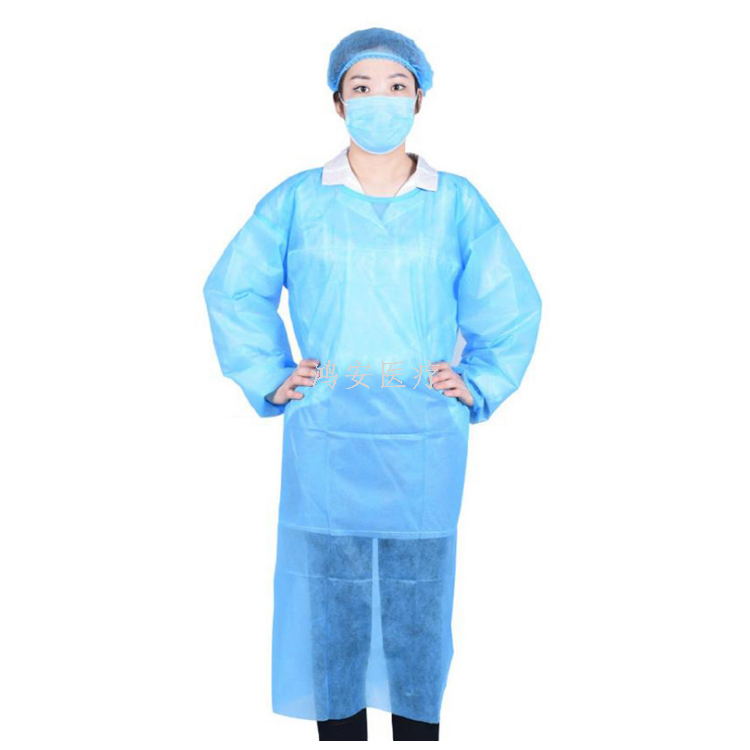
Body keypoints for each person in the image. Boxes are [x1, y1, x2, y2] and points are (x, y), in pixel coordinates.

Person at [203, 27, 543, 742]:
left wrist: (478, 379)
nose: (378, 99)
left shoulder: (455, 203)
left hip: (424, 431)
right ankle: (341, 733)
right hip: (330, 428)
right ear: (338, 102)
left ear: (418, 97)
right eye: (361, 87)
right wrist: (272, 374)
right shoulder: (300, 200)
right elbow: (234, 290)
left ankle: (417, 731)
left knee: (420, 598)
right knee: (333, 598)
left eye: (395, 85)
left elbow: (510, 303)